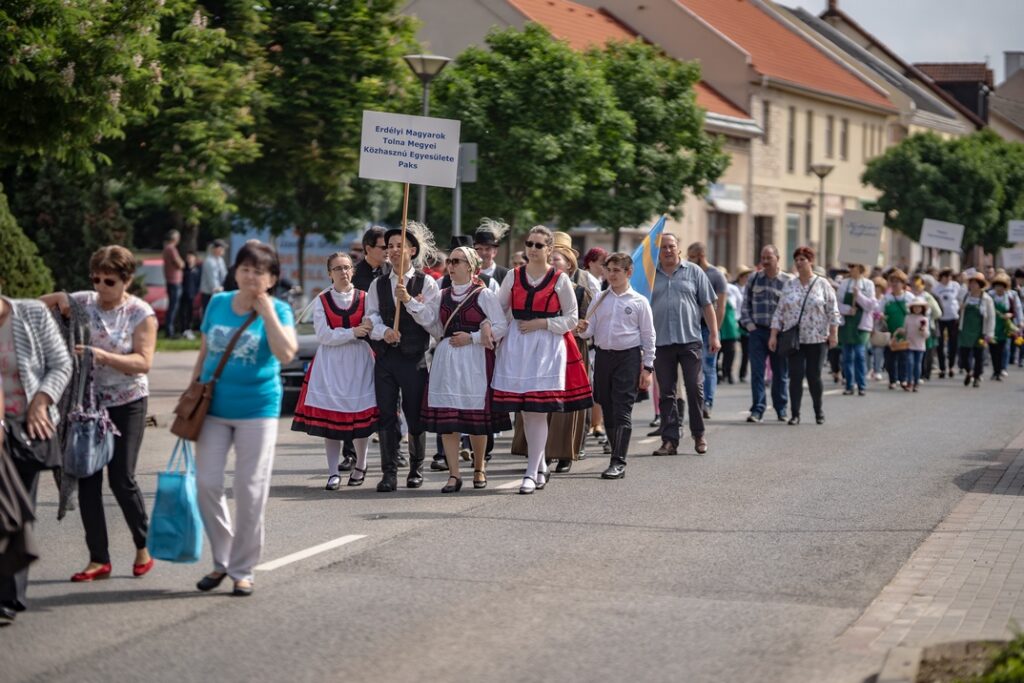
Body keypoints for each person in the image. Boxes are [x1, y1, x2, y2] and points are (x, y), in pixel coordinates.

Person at [41, 246, 158, 582]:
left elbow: (143, 362)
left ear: (127, 280)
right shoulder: (84, 301)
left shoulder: (140, 312)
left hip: (127, 400)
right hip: (86, 404)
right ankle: (98, 559)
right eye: (96, 279)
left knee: (121, 478)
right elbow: (34, 307)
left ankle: (142, 545)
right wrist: (59, 297)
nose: (101, 286)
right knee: (87, 478)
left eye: (109, 280)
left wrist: (100, 356)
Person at [191, 242, 297, 597]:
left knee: (249, 491)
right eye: (245, 269)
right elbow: (205, 353)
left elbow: (286, 354)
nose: (250, 276)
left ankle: (242, 568)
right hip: (213, 410)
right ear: (235, 271)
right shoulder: (218, 303)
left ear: (271, 278)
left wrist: (266, 313)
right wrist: (191, 397)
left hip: (258, 409)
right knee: (206, 484)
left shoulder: (279, 309)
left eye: (259, 271)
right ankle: (222, 559)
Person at [491, 226, 593, 494]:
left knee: (537, 411)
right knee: (525, 411)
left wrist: (542, 323)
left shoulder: (559, 279)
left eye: (538, 245)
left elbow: (572, 317)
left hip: (547, 346)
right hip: (517, 345)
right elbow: (498, 311)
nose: (533, 249)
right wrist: (491, 334)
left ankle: (531, 471)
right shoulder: (513, 276)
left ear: (550, 250)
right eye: (530, 244)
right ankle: (539, 467)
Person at [0, 295, 72, 624]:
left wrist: (41, 401)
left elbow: (61, 363)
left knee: (15, 510)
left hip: (27, 427)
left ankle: (8, 598)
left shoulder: (30, 313)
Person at [421, 244, 509, 492]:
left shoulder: (484, 295)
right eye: (450, 260)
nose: (451, 265)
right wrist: (410, 303)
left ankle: (479, 467)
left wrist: (472, 338)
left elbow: (501, 327)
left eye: (457, 261)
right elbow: (433, 326)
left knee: (475, 419)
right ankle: (454, 474)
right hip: (447, 359)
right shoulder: (441, 294)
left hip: (475, 359)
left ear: (471, 267)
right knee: (448, 421)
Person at [290, 253, 377, 489]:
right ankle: (332, 472)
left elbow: (371, 324)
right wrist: (352, 332)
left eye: (347, 267)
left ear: (353, 271)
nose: (343, 272)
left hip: (359, 360)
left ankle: (361, 464)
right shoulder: (322, 300)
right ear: (329, 273)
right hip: (331, 362)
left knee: (361, 416)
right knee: (332, 420)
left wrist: (362, 330)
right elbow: (323, 335)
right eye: (337, 268)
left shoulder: (365, 297)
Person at [366, 222, 440, 493]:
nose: (394, 251)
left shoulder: (426, 282)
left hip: (414, 357)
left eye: (399, 246)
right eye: (390, 247)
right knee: (385, 414)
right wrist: (384, 331)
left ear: (412, 250)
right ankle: (389, 472)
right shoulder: (378, 284)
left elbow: (433, 322)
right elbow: (370, 316)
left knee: (414, 413)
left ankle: (416, 468)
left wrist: (409, 300)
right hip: (386, 358)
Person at [577, 253, 655, 479]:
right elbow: (590, 331)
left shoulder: (639, 302)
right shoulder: (600, 298)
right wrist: (581, 328)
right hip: (603, 357)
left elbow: (648, 336)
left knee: (622, 409)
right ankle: (616, 450)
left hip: (627, 358)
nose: (611, 274)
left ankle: (618, 461)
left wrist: (648, 367)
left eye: (617, 270)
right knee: (607, 407)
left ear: (629, 273)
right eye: (609, 270)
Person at [649, 234, 720, 455]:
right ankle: (669, 440)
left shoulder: (694, 272)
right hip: (661, 341)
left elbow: (708, 305)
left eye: (671, 246)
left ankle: (698, 435)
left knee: (694, 389)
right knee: (667, 393)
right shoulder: (651, 276)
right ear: (658, 251)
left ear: (678, 249)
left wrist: (714, 335)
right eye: (663, 247)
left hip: (690, 340)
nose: (668, 250)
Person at [768, 246, 840, 425]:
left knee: (814, 375)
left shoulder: (822, 284)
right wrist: (773, 335)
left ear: (811, 262)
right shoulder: (790, 285)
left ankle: (818, 411)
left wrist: (833, 334)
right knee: (796, 375)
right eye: (797, 260)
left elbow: (833, 310)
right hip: (795, 339)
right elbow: (780, 311)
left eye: (803, 259)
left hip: (817, 338)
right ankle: (795, 413)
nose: (799, 263)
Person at [546, 237, 593, 472]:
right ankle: (542, 451)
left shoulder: (581, 291)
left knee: (567, 402)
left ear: (569, 265)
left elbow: (588, 324)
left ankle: (565, 452)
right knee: (544, 399)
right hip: (545, 348)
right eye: (550, 259)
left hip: (571, 348)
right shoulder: (540, 287)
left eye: (556, 259)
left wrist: (583, 327)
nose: (551, 263)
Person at [348, 225, 391, 473]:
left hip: (385, 345)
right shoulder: (353, 274)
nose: (389, 251)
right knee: (352, 399)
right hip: (359, 346)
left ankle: (391, 452)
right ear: (367, 248)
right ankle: (349, 453)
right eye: (383, 247)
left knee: (388, 402)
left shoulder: (392, 272)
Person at [740, 245, 792, 423]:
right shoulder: (754, 279)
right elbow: (745, 305)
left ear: (778, 258)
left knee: (780, 372)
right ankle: (757, 409)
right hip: (758, 332)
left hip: (780, 333)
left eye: (769, 257)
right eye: (763, 257)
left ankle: (781, 408)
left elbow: (792, 309)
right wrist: (750, 326)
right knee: (756, 372)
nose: (765, 261)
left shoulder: (788, 281)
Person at [686, 243, 726, 419]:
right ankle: (697, 401)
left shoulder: (715, 275)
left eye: (691, 256)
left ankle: (707, 402)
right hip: (690, 327)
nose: (688, 260)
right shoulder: (689, 272)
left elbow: (721, 306)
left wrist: (714, 332)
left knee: (708, 366)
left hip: (707, 327)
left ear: (701, 255)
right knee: (694, 368)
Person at [836, 264, 876, 396]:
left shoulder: (869, 284)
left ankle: (861, 385)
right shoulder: (844, 283)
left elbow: (871, 306)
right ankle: (849, 385)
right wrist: (848, 310)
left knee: (859, 354)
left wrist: (858, 296)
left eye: (854, 267)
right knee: (847, 356)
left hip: (862, 325)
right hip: (847, 324)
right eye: (850, 266)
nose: (851, 269)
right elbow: (837, 304)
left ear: (861, 269)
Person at [958, 272, 995, 388]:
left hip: (980, 331)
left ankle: (977, 377)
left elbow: (991, 317)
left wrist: (989, 333)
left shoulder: (986, 299)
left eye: (974, 283)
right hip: (965, 331)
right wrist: (960, 308)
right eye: (971, 283)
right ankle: (969, 371)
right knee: (963, 355)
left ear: (980, 285)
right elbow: (955, 309)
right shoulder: (965, 296)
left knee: (979, 356)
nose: (972, 286)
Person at [882, 269, 915, 390]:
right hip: (890, 333)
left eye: (898, 282)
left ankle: (903, 380)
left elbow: (920, 311)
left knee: (904, 358)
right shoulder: (886, 299)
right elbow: (878, 312)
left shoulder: (909, 297)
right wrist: (880, 316)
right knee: (890, 358)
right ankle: (892, 380)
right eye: (893, 281)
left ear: (903, 284)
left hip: (905, 333)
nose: (895, 284)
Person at [932, 268, 962, 378]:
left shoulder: (955, 286)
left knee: (953, 343)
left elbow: (959, 299)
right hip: (940, 318)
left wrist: (959, 311)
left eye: (950, 276)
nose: (948, 278)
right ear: (942, 277)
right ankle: (942, 368)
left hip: (953, 317)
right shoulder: (936, 288)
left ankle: (951, 366)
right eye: (946, 276)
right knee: (940, 343)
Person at [988, 273, 1016, 381]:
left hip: (1003, 328)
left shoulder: (1009, 297)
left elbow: (1014, 311)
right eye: (997, 286)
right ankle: (995, 370)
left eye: (1001, 286)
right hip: (992, 327)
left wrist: (1010, 315)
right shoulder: (990, 296)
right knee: (993, 350)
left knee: (1001, 350)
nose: (999, 288)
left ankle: (999, 371)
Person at [719, 267, 742, 384]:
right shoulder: (713, 288)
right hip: (719, 325)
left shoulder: (732, 289)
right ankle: (718, 373)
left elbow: (740, 303)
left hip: (730, 324)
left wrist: (736, 318)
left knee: (730, 351)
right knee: (717, 351)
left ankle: (728, 372)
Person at [162, 230, 185, 338]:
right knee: (173, 306)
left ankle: (170, 329)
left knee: (172, 306)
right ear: (175, 238)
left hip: (170, 280)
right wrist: (182, 263)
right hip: (174, 281)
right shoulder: (171, 249)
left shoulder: (166, 248)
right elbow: (179, 264)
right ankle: (170, 331)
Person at [904, 297, 931, 392]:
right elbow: (905, 330)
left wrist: (923, 330)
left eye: (919, 307)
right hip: (909, 344)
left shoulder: (924, 319)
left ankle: (916, 382)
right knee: (910, 363)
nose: (916, 309)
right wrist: (901, 332)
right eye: (915, 307)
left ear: (922, 308)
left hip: (920, 345)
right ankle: (909, 381)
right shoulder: (908, 318)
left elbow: (927, 335)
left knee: (917, 364)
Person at [473, 218, 510, 286]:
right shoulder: (468, 274)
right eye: (480, 249)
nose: (483, 253)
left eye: (487, 249)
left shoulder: (506, 275)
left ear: (495, 251)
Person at [734, 266, 754, 383]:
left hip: (745, 322)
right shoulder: (733, 288)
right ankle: (727, 372)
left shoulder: (749, 288)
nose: (748, 278)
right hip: (735, 321)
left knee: (746, 350)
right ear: (741, 277)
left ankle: (743, 374)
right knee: (730, 348)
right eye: (746, 276)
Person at [200, 239, 228, 318]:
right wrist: (218, 289)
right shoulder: (209, 261)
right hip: (209, 293)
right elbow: (212, 278)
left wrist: (226, 285)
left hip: (219, 291)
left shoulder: (220, 260)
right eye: (221, 248)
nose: (223, 250)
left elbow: (224, 275)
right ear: (216, 249)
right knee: (209, 314)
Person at [180, 251, 202, 338]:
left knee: (190, 312)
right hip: (183, 293)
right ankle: (183, 329)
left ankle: (189, 329)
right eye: (188, 258)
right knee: (183, 312)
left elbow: (198, 282)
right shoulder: (184, 269)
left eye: (191, 258)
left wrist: (196, 291)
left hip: (192, 294)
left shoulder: (197, 270)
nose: (189, 260)